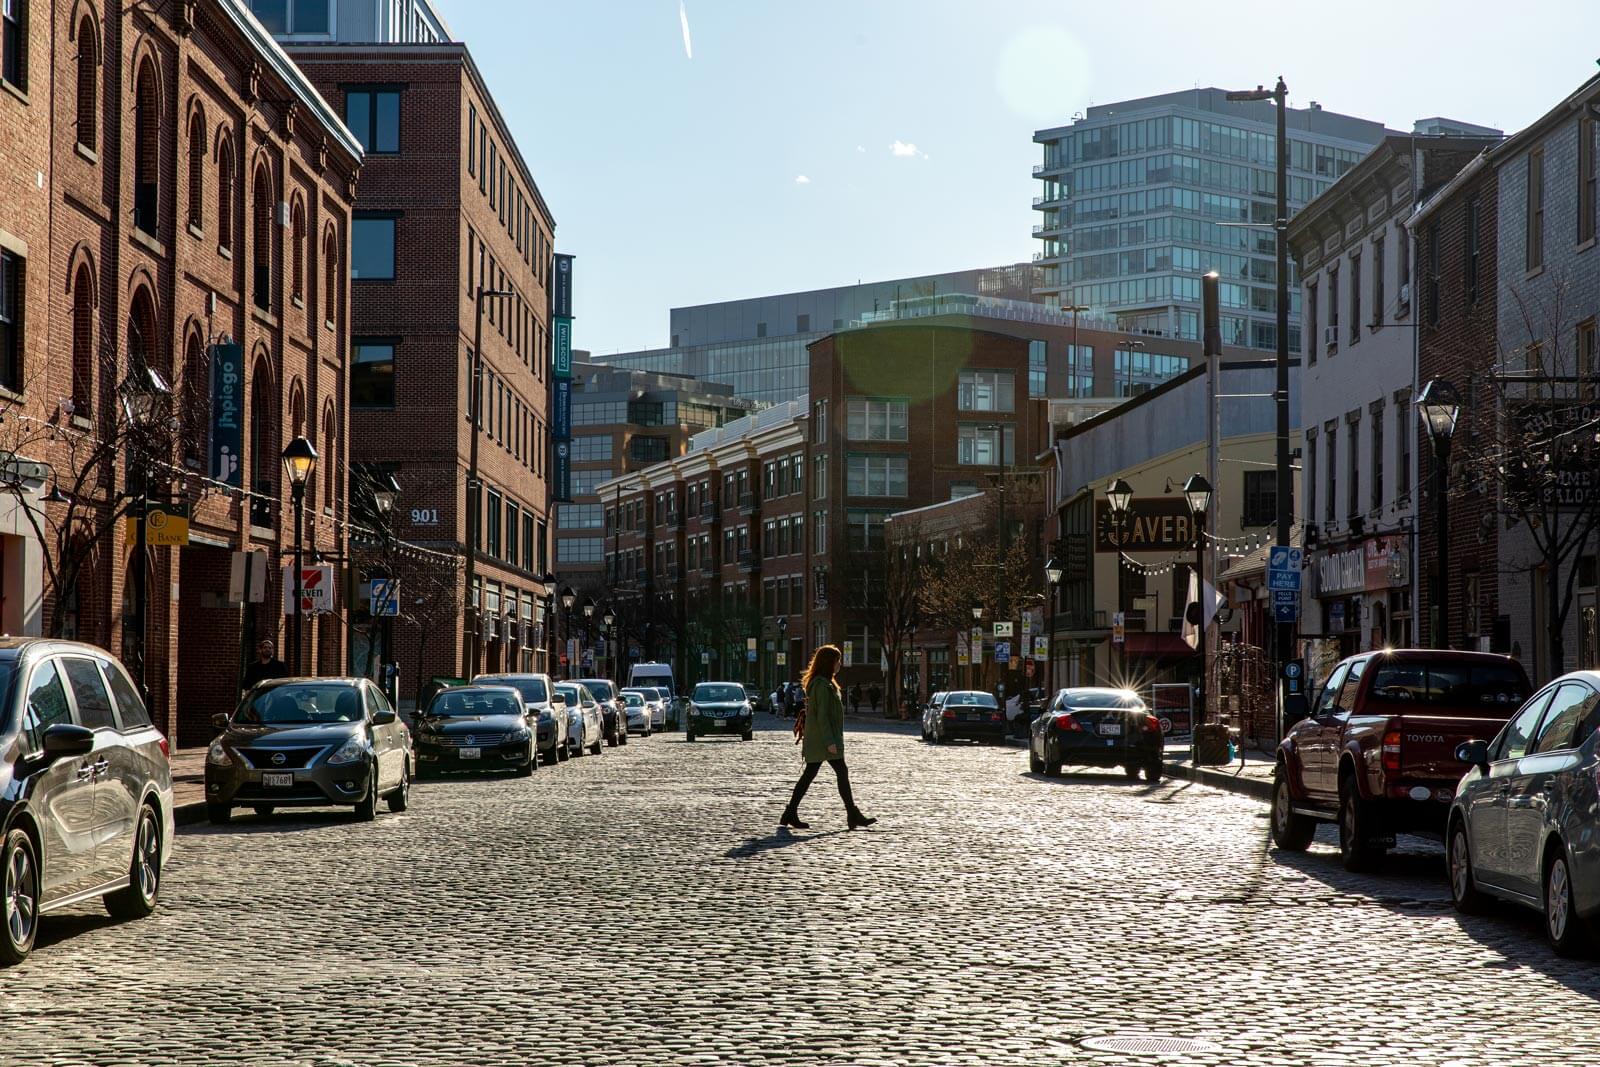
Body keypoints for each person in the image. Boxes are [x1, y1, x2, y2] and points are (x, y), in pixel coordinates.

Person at [781, 645, 875, 831]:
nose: (839, 664)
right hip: (823, 740)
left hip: (822, 738)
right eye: (837, 660)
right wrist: (830, 741)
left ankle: (791, 812)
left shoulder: (826, 683)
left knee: (815, 774)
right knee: (834, 772)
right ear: (829, 663)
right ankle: (852, 814)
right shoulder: (822, 686)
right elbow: (822, 716)